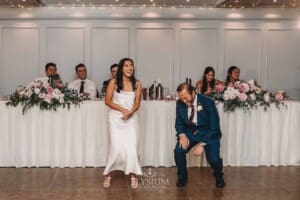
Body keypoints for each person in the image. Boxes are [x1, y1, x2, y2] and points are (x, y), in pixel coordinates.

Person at [174, 82, 225, 188]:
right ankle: (182, 177)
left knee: (213, 160)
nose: (184, 101)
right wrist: (182, 134)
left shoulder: (208, 102)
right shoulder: (180, 103)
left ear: (193, 92)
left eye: (186, 97)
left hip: (209, 133)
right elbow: (179, 122)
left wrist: (202, 144)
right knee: (178, 151)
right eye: (181, 98)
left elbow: (214, 127)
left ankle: (218, 175)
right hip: (191, 133)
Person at [103, 58, 143, 189]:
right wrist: (122, 110)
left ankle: (133, 174)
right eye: (126, 65)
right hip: (116, 119)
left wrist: (130, 112)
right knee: (115, 146)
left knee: (132, 146)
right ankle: (108, 174)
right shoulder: (113, 82)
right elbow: (107, 101)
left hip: (131, 119)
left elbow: (137, 102)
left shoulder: (137, 83)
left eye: (131, 65)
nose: (129, 68)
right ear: (121, 68)